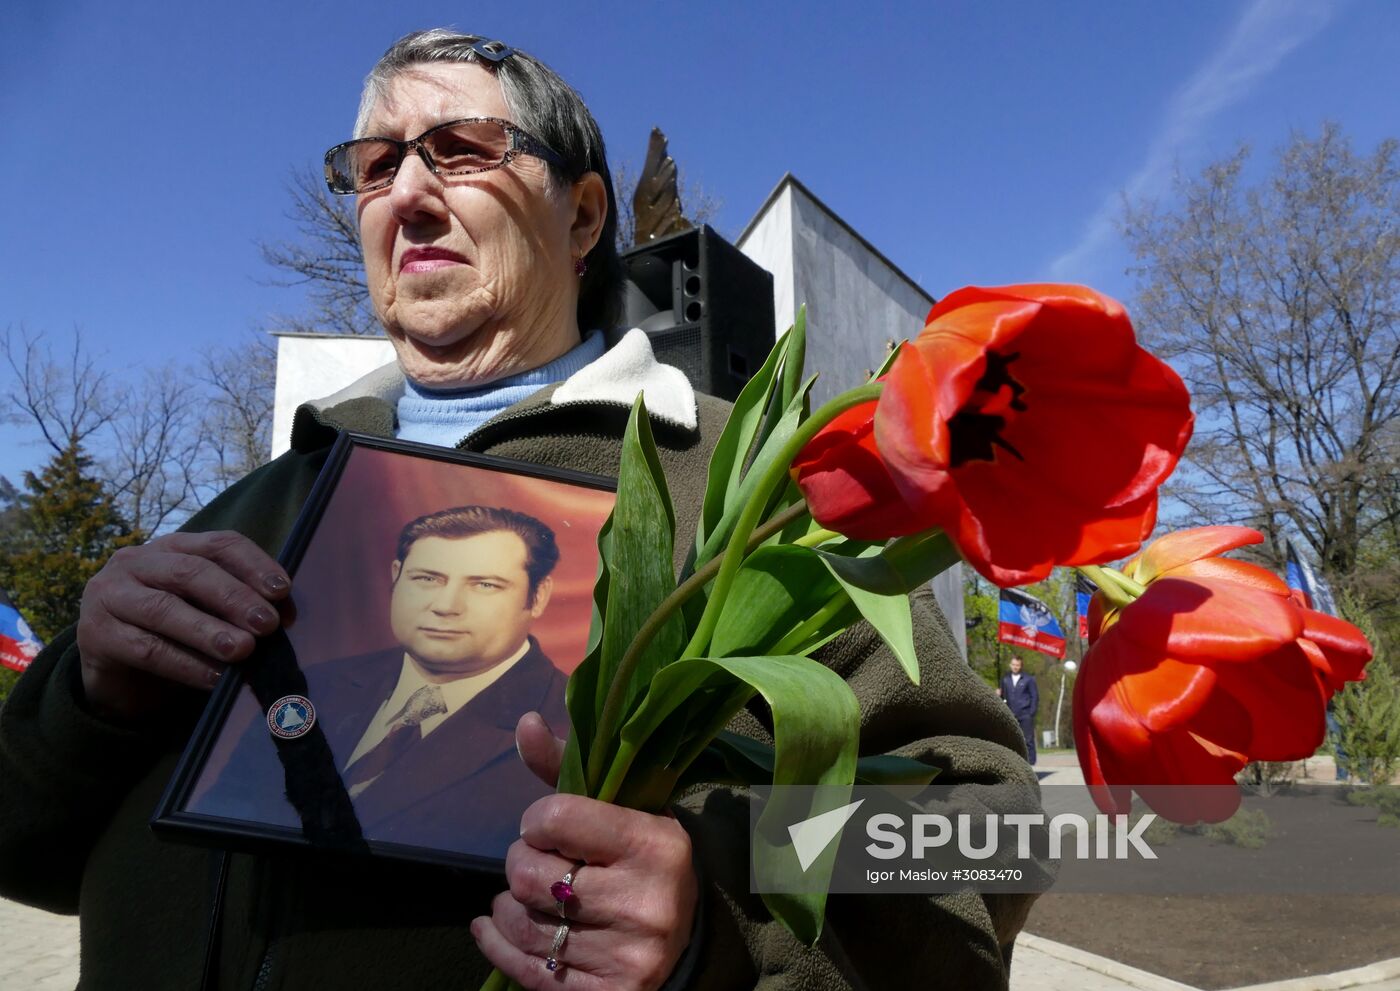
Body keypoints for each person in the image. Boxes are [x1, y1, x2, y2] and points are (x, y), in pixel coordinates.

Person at [0, 30, 1039, 990]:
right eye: (372, 165)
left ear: (584, 215)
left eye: (461, 150)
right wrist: (88, 699)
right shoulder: (255, 504)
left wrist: (714, 923)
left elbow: (984, 831)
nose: (404, 191)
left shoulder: (758, 485)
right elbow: (24, 846)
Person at [199, 505, 568, 857]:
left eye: (485, 585)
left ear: (538, 597)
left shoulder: (574, 728)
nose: (446, 605)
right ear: (395, 577)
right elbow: (224, 814)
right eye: (427, 578)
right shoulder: (315, 686)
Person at [999, 656, 1040, 765]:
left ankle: (1031, 764)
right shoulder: (1005, 679)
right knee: (1011, 739)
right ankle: (1015, 763)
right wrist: (999, 694)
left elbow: (1034, 697)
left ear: (1021, 666)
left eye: (1017, 665)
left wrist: (1031, 713)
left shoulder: (1028, 679)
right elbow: (1003, 697)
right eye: (1013, 664)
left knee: (1028, 740)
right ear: (1010, 665)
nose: (1015, 667)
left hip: (1025, 714)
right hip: (1010, 714)